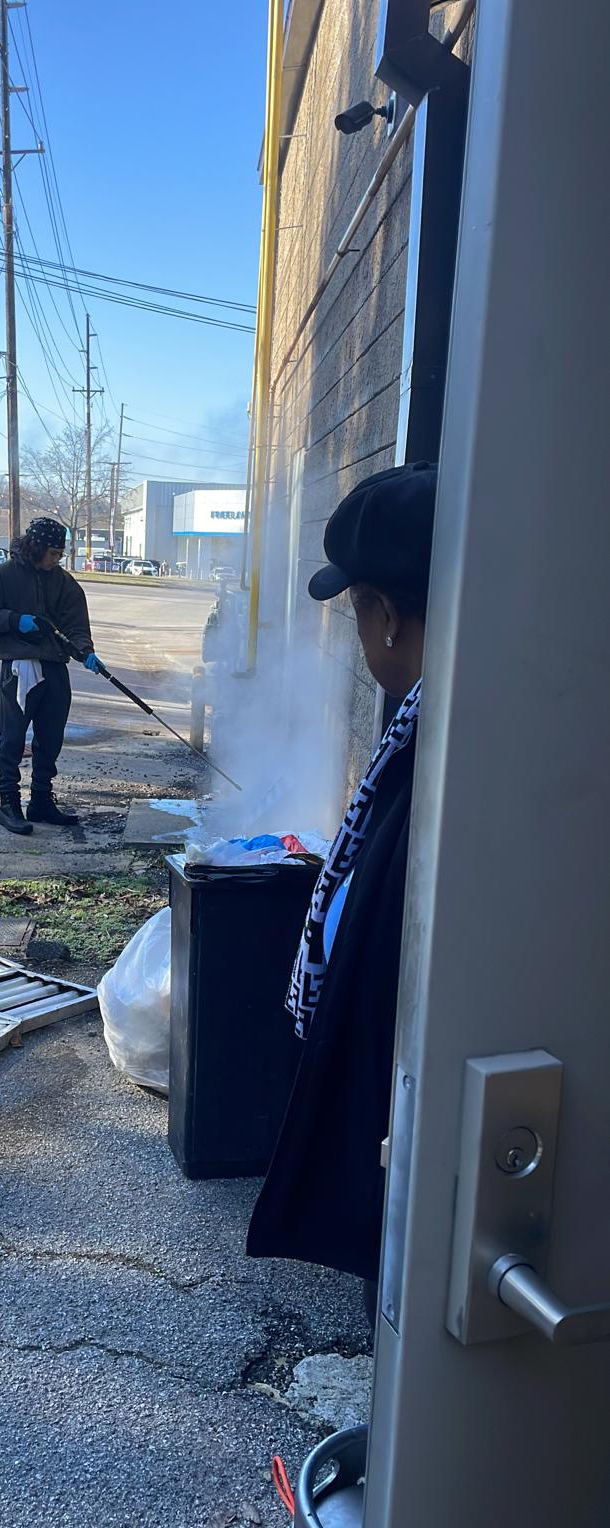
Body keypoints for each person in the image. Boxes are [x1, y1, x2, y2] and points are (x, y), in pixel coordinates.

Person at [246, 461, 436, 1326]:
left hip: (408, 1127)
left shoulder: (444, 753)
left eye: (358, 609)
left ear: (387, 615)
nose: (360, 636)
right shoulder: (438, 720)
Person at [0, 516, 104, 836]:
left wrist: (85, 651)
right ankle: (8, 804)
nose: (56, 560)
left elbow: (75, 625)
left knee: (50, 737)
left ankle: (40, 800)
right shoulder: (3, 576)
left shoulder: (64, 583)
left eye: (60, 555)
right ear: (36, 547)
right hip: (19, 667)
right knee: (13, 737)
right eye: (53, 553)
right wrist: (14, 621)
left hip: (54, 666)